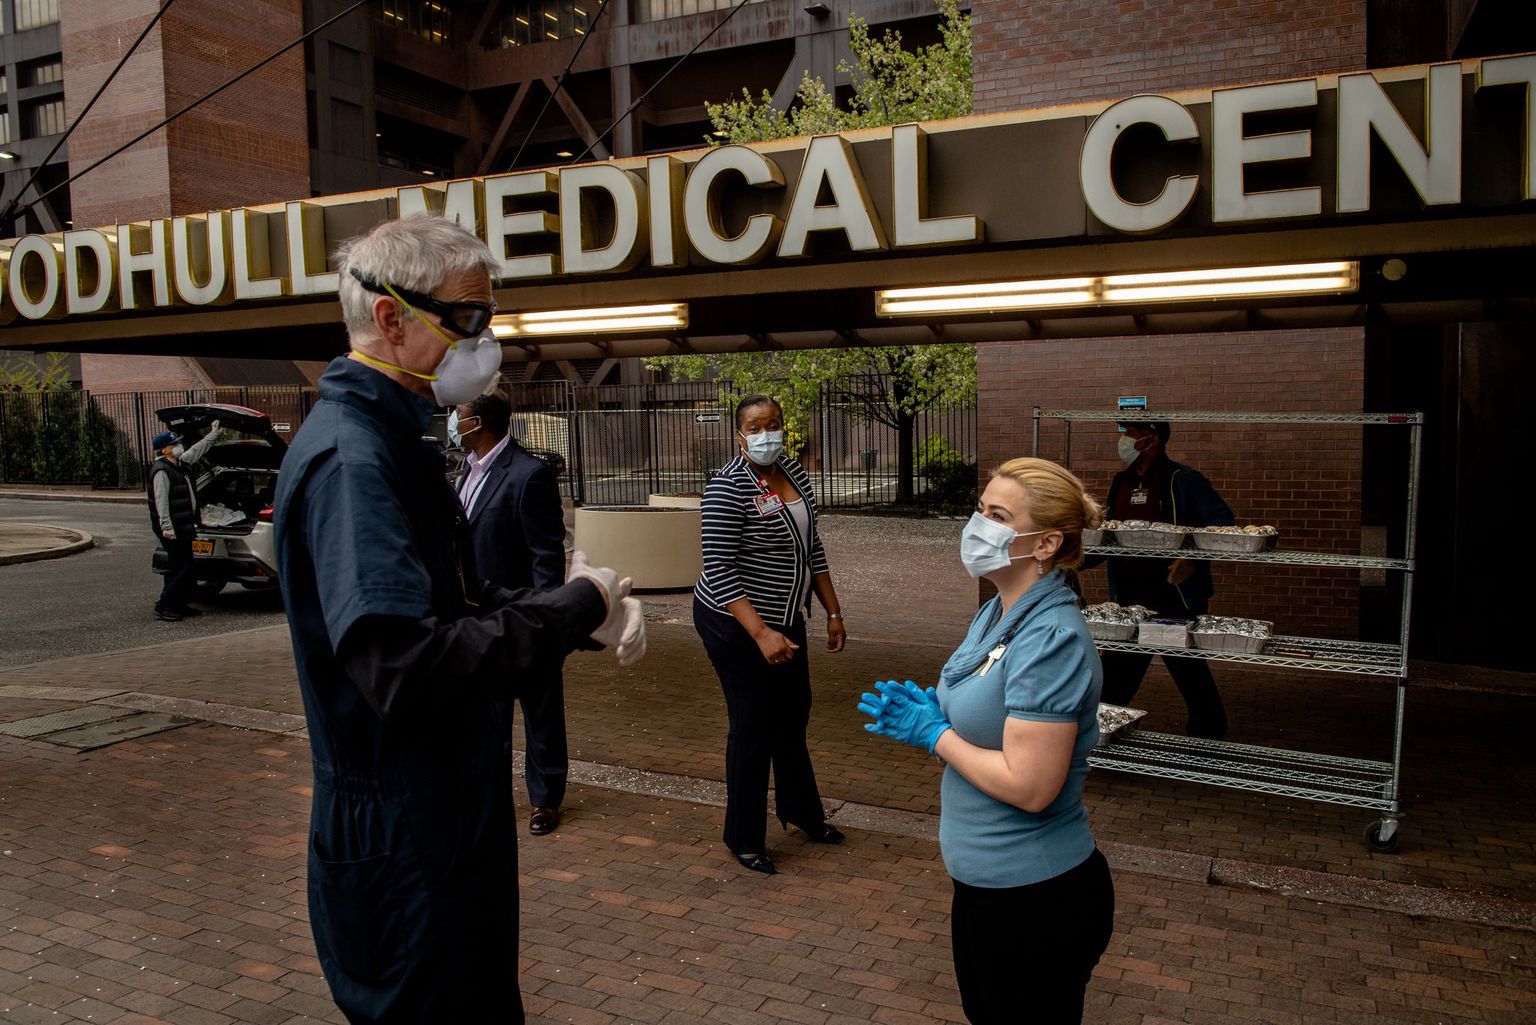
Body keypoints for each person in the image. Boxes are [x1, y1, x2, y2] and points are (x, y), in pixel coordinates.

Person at [272, 215, 645, 1023]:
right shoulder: (354, 461)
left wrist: (576, 608)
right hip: (405, 835)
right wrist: (572, 609)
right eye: (468, 317)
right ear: (389, 317)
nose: (486, 339)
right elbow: (405, 664)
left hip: (437, 815)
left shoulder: (392, 440)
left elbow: (460, 604)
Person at [859, 457, 1115, 1025]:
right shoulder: (1000, 610)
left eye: (998, 516)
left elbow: (1031, 787)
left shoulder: (1051, 638)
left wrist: (934, 732)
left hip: (1035, 897)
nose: (979, 527)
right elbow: (986, 707)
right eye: (980, 510)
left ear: (1046, 543)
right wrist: (931, 710)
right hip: (986, 888)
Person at [693, 394, 847, 875]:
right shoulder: (728, 486)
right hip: (735, 623)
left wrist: (832, 610)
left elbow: (811, 547)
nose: (767, 434)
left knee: (793, 715)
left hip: (786, 618)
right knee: (753, 726)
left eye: (774, 424)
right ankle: (743, 837)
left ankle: (802, 813)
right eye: (756, 426)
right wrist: (759, 634)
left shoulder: (793, 474)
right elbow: (718, 569)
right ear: (739, 434)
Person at [452, 389, 572, 836]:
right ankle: (490, 789)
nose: (452, 421)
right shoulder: (464, 472)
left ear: (478, 422)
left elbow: (546, 554)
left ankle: (546, 798)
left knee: (540, 711)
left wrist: (547, 619)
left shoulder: (529, 474)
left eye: (457, 415)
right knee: (488, 711)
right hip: (475, 617)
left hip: (522, 615)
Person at [1087, 420, 1234, 739]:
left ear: (1151, 439)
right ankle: (1097, 734)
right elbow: (1112, 535)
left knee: (1187, 669)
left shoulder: (1184, 480)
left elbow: (1222, 521)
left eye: (1131, 434)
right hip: (1128, 600)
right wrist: (1076, 559)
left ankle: (1208, 739)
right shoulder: (1121, 481)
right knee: (1117, 673)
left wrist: (1193, 559)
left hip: (1171, 599)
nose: (1123, 440)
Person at [146, 420, 223, 621]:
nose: (180, 447)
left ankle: (180, 604)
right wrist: (166, 527)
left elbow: (197, 450)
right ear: (164, 450)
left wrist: (213, 434)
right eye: (175, 445)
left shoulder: (180, 464)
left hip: (184, 525)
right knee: (177, 568)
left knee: (186, 567)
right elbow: (161, 502)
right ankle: (165, 606)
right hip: (173, 528)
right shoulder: (162, 471)